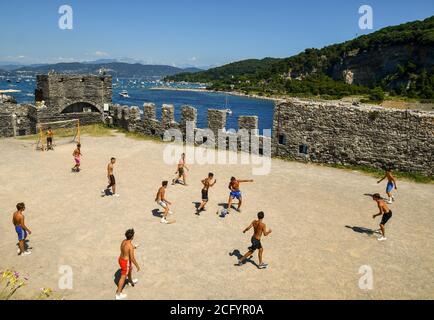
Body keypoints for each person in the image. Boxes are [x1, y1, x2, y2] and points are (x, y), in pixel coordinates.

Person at [116, 229, 140, 300]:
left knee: (130, 269)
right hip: (125, 262)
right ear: (132, 237)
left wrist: (133, 247)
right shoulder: (130, 246)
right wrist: (137, 266)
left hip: (120, 259)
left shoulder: (124, 241)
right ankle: (118, 294)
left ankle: (130, 281)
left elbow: (125, 249)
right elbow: (132, 258)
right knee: (123, 277)